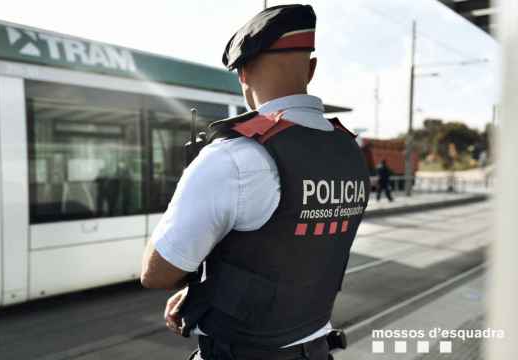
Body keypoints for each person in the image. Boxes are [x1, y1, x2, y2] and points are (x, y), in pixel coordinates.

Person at [140, 4, 371, 360]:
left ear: (243, 73)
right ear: (311, 69)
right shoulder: (348, 150)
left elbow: (157, 273)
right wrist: (209, 290)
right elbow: (292, 259)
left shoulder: (234, 157)